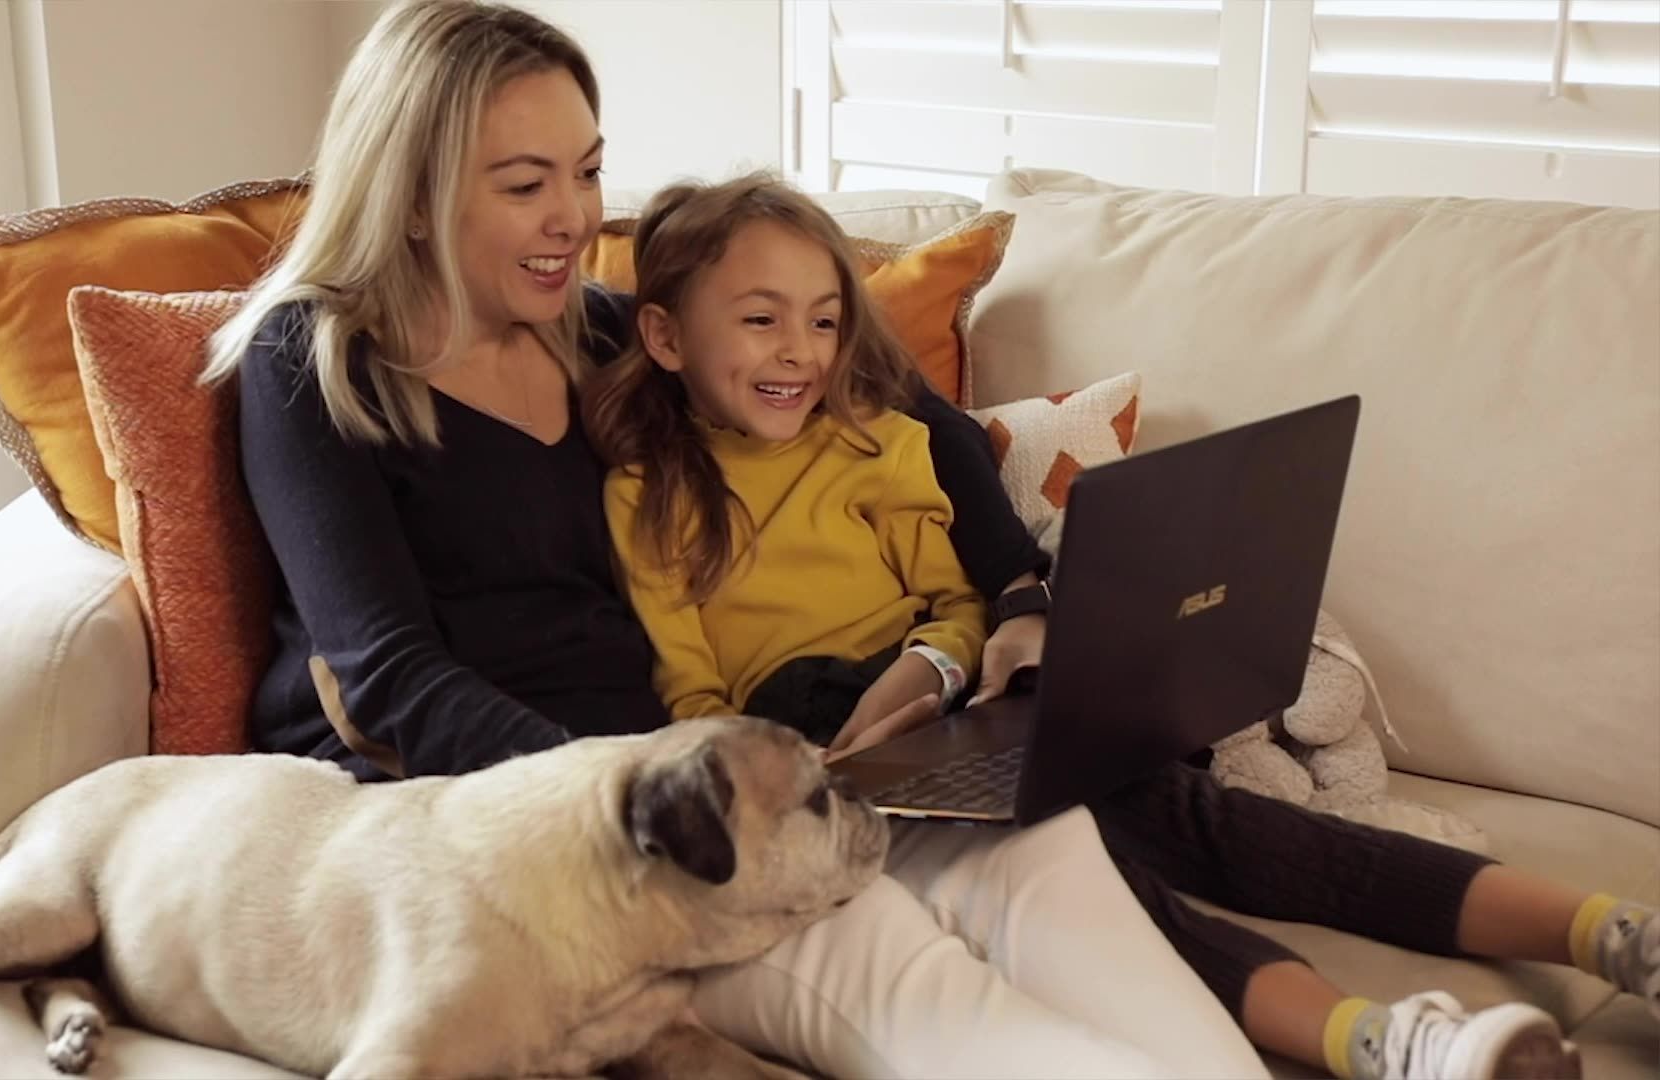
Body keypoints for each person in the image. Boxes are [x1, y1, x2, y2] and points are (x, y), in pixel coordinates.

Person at [203, 2, 1263, 1076]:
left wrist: (1021, 595)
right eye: (526, 185)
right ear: (413, 196)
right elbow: (387, 677)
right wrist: (646, 801)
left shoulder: (605, 330)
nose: (574, 216)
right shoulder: (316, 363)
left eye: (587, 170)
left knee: (1043, 855)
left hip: (714, 774)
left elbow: (917, 415)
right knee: (902, 967)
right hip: (545, 835)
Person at [579, 171, 1660, 1080]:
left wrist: (934, 670)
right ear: (665, 335)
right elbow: (690, 702)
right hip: (820, 761)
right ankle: (1382, 1041)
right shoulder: (646, 496)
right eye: (760, 319)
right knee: (1113, 893)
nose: (800, 352)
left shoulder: (881, 448)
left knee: (1229, 828)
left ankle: (1611, 931)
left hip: (958, 709)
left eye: (823, 320)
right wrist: (791, 768)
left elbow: (957, 601)